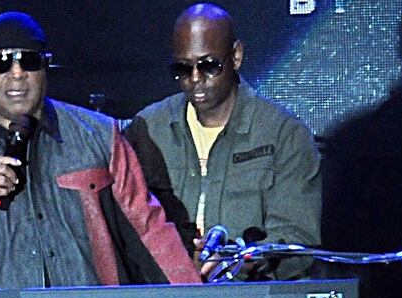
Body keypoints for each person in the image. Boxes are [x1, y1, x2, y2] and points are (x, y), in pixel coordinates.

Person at [0, 12, 200, 294]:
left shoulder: (99, 136)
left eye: (29, 60)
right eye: (2, 62)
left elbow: (151, 232)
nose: (17, 73)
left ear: (45, 65)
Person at [124, 3, 321, 281]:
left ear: (236, 56)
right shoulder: (147, 130)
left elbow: (297, 238)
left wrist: (241, 261)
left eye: (208, 66)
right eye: (183, 68)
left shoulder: (284, 134)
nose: (195, 79)